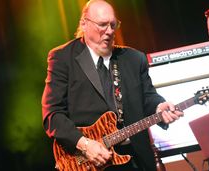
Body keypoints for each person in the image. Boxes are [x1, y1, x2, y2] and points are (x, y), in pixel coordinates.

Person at [41, 0, 184, 170]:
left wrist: (159, 106)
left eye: (113, 25)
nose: (109, 31)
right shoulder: (63, 58)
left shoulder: (134, 59)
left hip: (135, 160)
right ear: (84, 24)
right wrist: (85, 144)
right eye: (102, 25)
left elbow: (148, 96)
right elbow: (52, 114)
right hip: (88, 161)